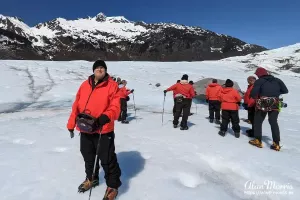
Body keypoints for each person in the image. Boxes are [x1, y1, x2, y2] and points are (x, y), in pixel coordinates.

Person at [67, 60, 121, 200]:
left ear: (105, 70)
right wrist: (71, 124)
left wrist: (105, 116)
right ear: (93, 70)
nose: (100, 69)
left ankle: (112, 186)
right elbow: (76, 106)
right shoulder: (84, 85)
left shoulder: (112, 85)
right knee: (88, 157)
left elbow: (116, 106)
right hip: (85, 128)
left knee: (107, 159)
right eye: (97, 67)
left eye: (102, 68)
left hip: (103, 129)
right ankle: (92, 178)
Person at [249, 67, 288, 151]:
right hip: (275, 102)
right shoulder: (277, 80)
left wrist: (262, 95)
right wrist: (275, 93)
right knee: (273, 122)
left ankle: (258, 140)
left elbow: (253, 94)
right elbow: (285, 90)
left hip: (263, 102)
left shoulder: (259, 81)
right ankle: (276, 144)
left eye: (257, 75)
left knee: (258, 121)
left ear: (259, 74)